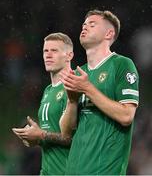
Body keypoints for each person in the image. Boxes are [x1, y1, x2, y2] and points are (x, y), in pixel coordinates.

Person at [59, 10, 139, 175]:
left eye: (92, 24)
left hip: (104, 170)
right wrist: (72, 101)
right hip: (73, 170)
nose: (85, 27)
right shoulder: (78, 74)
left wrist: (87, 89)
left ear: (109, 33)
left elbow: (126, 116)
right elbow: (66, 132)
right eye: (84, 24)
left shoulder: (122, 64)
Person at [12, 32, 74, 175]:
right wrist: (34, 138)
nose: (48, 55)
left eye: (54, 50)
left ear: (69, 55)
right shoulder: (48, 90)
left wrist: (41, 136)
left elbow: (75, 138)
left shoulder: (74, 85)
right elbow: (52, 132)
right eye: (45, 51)